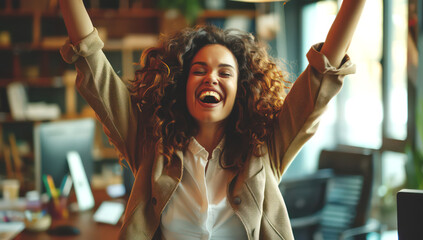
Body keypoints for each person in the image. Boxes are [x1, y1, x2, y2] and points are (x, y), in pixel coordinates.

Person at [59, 0, 366, 239]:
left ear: (241, 89)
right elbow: (92, 63)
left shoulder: (264, 150)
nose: (211, 79)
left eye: (225, 72)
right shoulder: (150, 146)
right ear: (182, 85)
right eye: (199, 70)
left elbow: (321, 75)